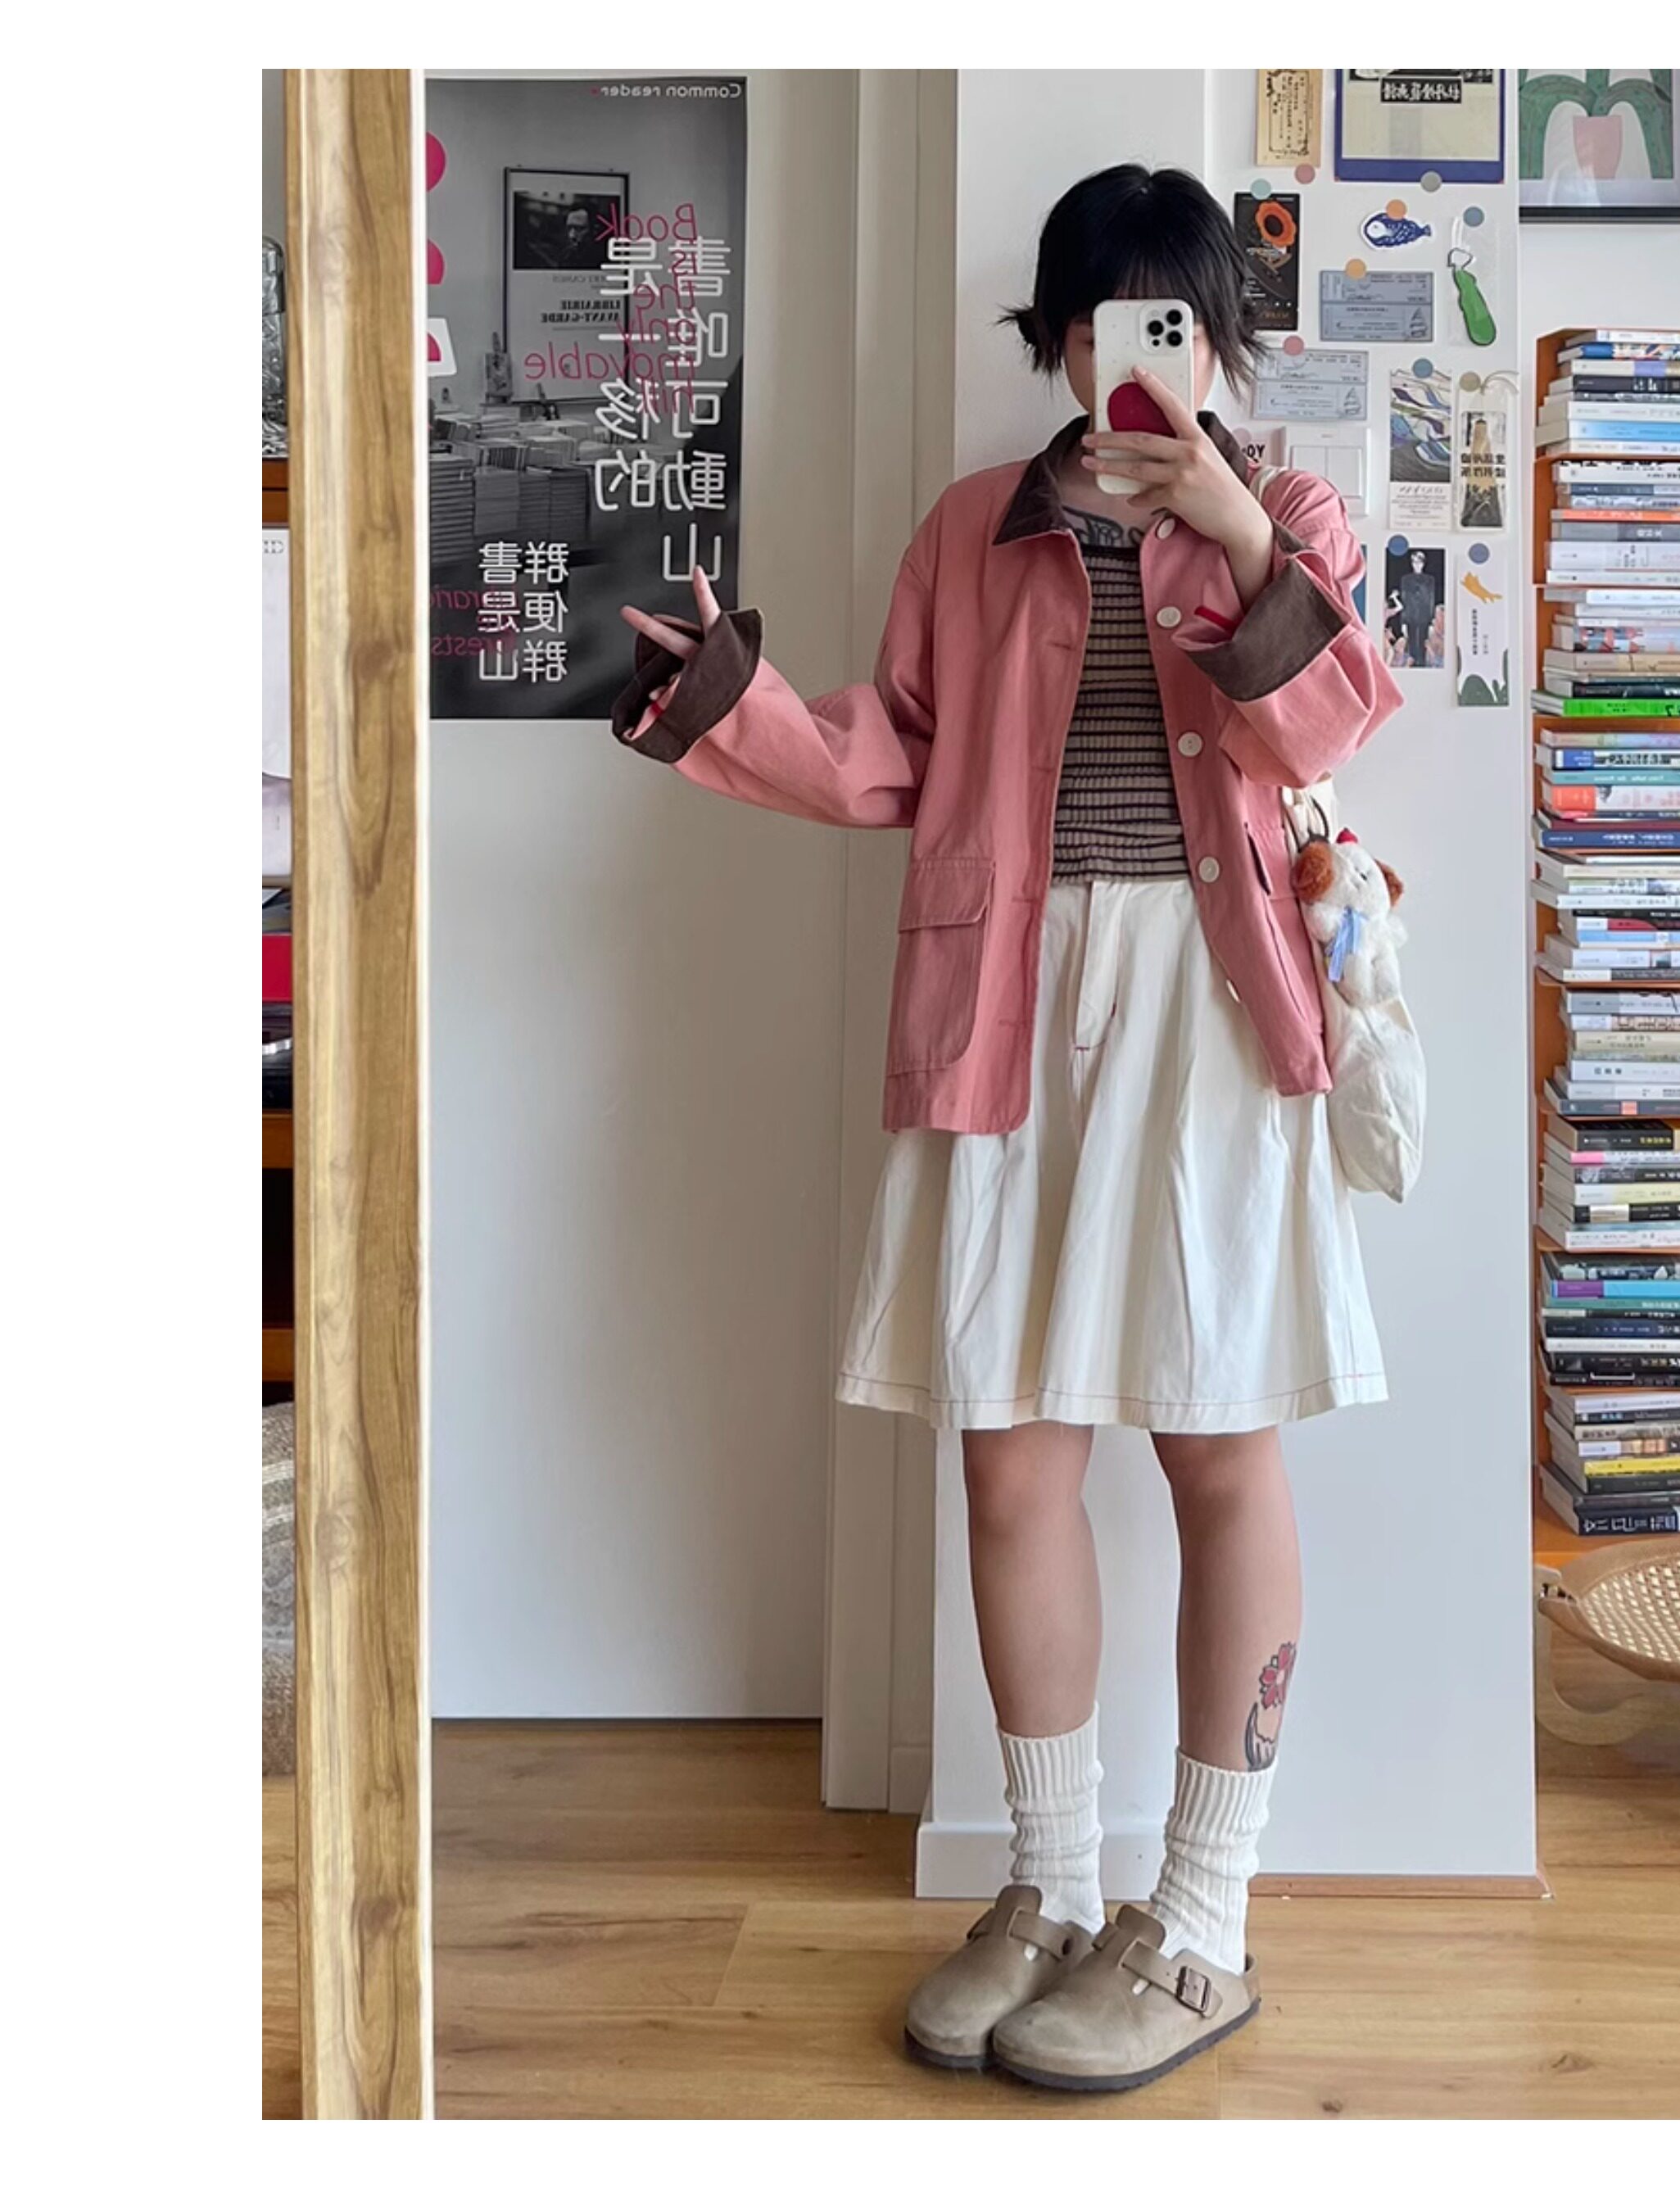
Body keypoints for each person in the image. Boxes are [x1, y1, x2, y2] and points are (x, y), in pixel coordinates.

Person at [609, 163, 1402, 2093]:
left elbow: (1325, 727)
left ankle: (1199, 1915)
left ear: (1220, 341)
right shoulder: (974, 530)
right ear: (1054, 338)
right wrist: (727, 700)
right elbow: (892, 750)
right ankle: (1052, 1884)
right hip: (1005, 1008)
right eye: (1107, 322)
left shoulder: (1293, 515)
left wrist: (1229, 523)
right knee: (1009, 1457)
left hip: (1211, 1014)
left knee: (1217, 1448)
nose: (1141, 356)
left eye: (1180, 325)